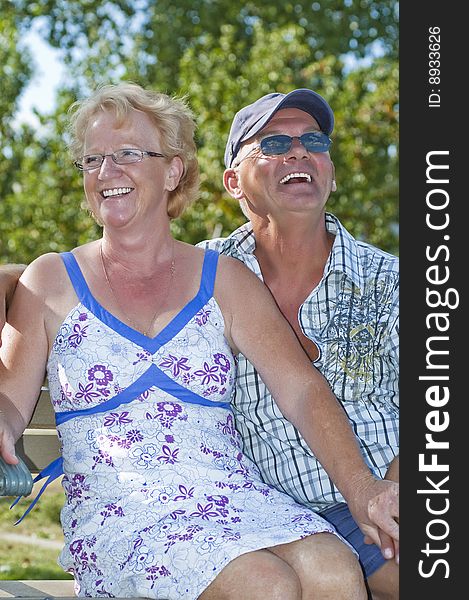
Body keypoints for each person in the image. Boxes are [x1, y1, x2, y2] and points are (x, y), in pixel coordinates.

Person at [0, 82, 396, 600]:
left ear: (172, 170)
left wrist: (365, 493)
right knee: (266, 585)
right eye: (92, 160)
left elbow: (301, 390)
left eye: (126, 154)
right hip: (124, 510)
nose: (106, 172)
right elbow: (9, 397)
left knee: (333, 569)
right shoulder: (50, 280)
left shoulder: (225, 277)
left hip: (233, 498)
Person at [200, 89, 400, 600]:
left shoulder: (393, 280)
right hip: (273, 521)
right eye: (273, 143)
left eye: (313, 141)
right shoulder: (198, 274)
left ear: (329, 172)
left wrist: (397, 496)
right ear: (233, 182)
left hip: (389, 492)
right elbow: (95, 277)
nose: (298, 152)